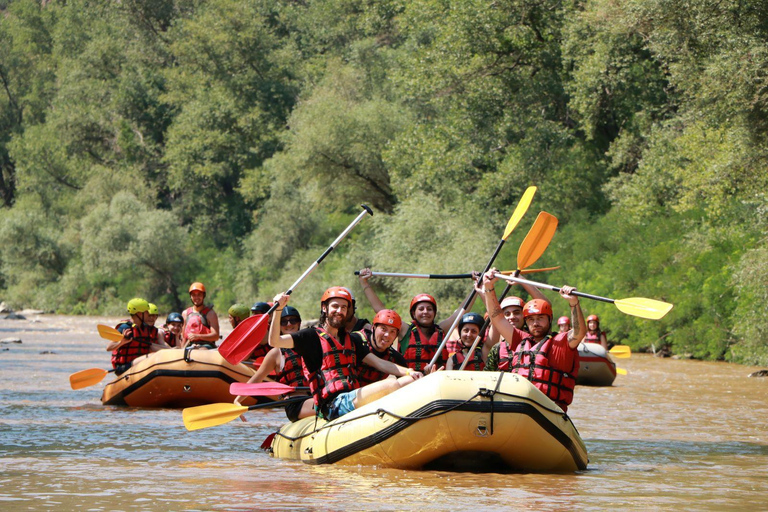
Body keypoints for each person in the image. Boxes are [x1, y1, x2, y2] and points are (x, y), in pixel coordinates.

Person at [268, 286, 423, 421]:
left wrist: (410, 372)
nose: (339, 311)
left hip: (352, 396)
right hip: (331, 405)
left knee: (408, 381)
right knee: (391, 384)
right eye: (335, 306)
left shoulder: (352, 339)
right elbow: (274, 341)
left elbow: (379, 363)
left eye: (344, 307)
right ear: (324, 308)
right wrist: (278, 310)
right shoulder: (310, 336)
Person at [478, 268, 585, 413]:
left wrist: (573, 303)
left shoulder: (560, 342)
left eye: (540, 318)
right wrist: (489, 287)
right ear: (526, 322)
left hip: (549, 411)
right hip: (519, 408)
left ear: (550, 319)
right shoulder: (520, 340)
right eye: (531, 319)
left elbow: (579, 332)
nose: (535, 323)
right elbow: (497, 317)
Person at [358, 267, 469, 372]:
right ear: (413, 314)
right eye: (421, 309)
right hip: (410, 383)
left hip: (436, 383)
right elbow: (381, 310)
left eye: (429, 309)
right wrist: (364, 283)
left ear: (434, 313)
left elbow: (461, 311)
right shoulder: (405, 329)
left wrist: (476, 287)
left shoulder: (442, 329)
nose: (425, 312)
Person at [234, 306, 313, 422]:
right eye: (284, 321)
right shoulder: (276, 353)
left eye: (293, 320)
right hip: (295, 403)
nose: (289, 324)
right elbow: (257, 378)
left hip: (315, 396)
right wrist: (237, 400)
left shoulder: (312, 345)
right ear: (279, 326)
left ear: (299, 323)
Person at [107, 298, 170, 375]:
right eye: (146, 312)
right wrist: (122, 342)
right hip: (124, 367)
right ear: (140, 313)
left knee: (156, 355)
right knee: (152, 356)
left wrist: (171, 350)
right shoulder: (125, 327)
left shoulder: (145, 328)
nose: (148, 314)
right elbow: (109, 347)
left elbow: (151, 346)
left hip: (140, 365)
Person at [356, 309, 409, 385]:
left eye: (392, 332)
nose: (387, 335)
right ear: (373, 327)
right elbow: (379, 363)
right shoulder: (356, 340)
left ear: (396, 336)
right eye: (383, 329)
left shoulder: (394, 357)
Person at [181, 282, 220, 349]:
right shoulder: (185, 313)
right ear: (190, 296)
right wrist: (181, 350)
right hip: (190, 345)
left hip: (206, 345)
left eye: (199, 295)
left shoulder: (210, 314)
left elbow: (216, 336)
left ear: (203, 296)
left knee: (200, 351)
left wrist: (198, 336)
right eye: (194, 295)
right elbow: (184, 337)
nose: (196, 297)